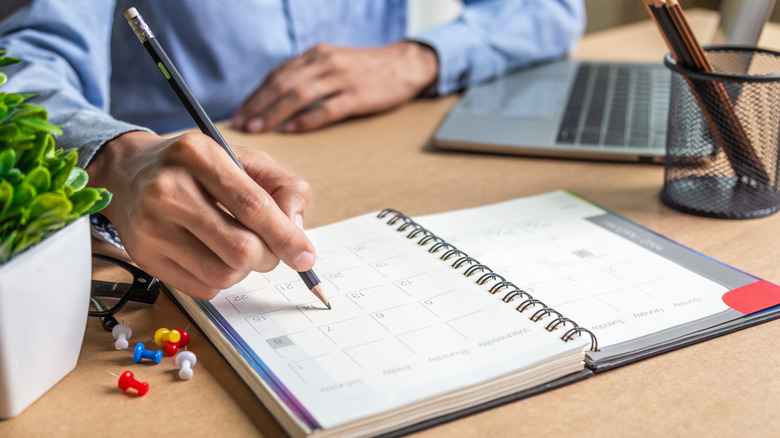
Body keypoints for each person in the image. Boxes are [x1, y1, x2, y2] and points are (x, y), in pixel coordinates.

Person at [0, 0, 585, 299]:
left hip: (386, 152)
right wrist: (112, 157)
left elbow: (550, 9)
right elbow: (20, 63)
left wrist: (421, 56)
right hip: (165, 210)